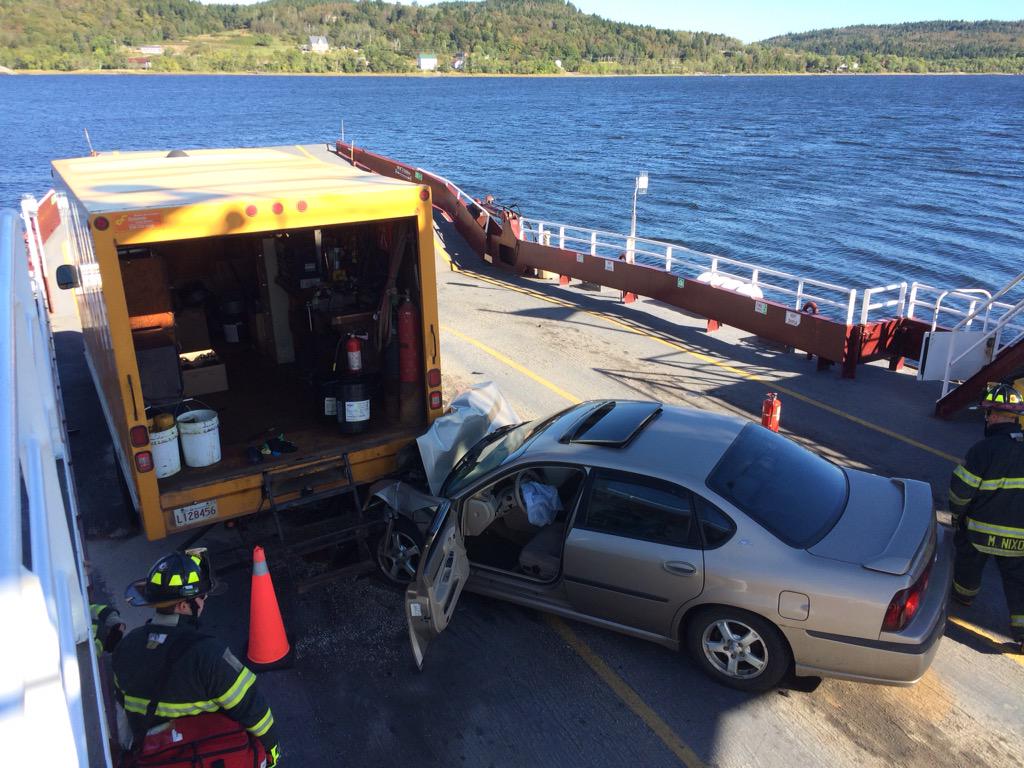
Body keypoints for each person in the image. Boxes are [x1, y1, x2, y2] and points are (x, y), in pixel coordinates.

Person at [113, 549, 281, 765]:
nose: (205, 600)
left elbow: (123, 709)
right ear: (184, 605)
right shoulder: (209, 656)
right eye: (201, 596)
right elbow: (255, 713)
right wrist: (272, 754)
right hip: (207, 757)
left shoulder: (126, 647)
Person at [948, 382, 1024, 654]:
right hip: (1020, 540)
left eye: (987, 413)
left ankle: (963, 598)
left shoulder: (984, 450)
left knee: (968, 564)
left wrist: (958, 517)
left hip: (979, 533)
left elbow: (960, 492)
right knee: (1018, 583)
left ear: (992, 416)